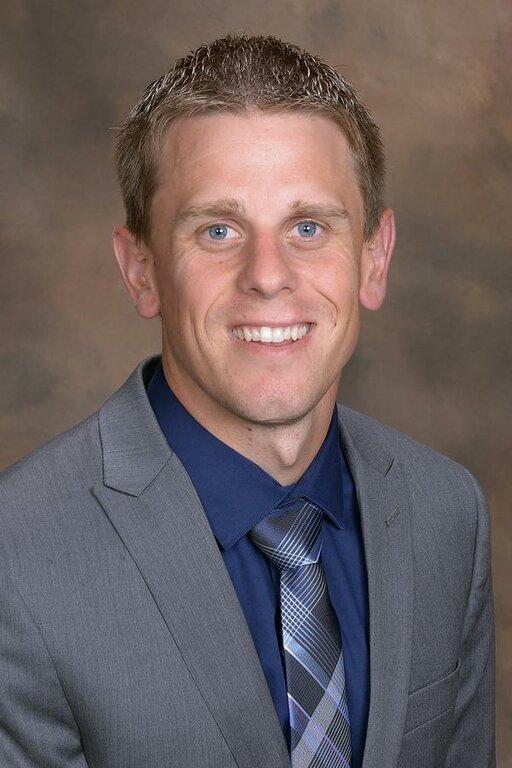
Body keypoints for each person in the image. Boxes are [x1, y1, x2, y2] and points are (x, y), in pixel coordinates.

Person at [0, 34, 495, 768]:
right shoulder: (17, 557)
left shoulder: (446, 513)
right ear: (141, 270)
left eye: (308, 227)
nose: (267, 275)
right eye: (219, 230)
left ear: (374, 257)